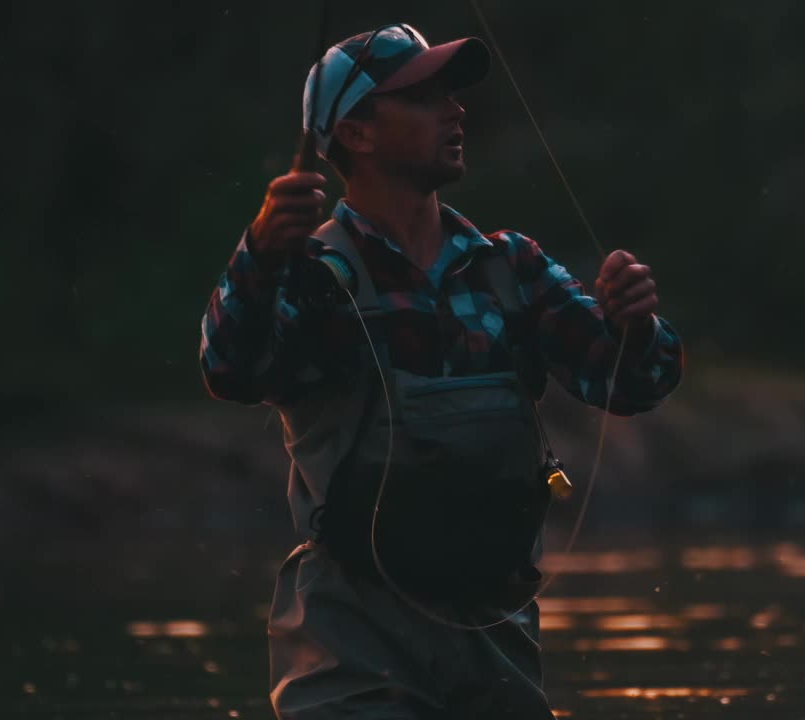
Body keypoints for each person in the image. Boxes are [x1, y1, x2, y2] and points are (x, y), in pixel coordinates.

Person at [198, 23, 684, 719]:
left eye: (451, 95)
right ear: (357, 133)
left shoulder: (509, 266)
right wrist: (260, 254)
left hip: (493, 639)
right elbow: (228, 369)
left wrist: (637, 325)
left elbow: (635, 384)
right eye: (425, 98)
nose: (456, 111)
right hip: (350, 643)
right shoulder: (309, 273)